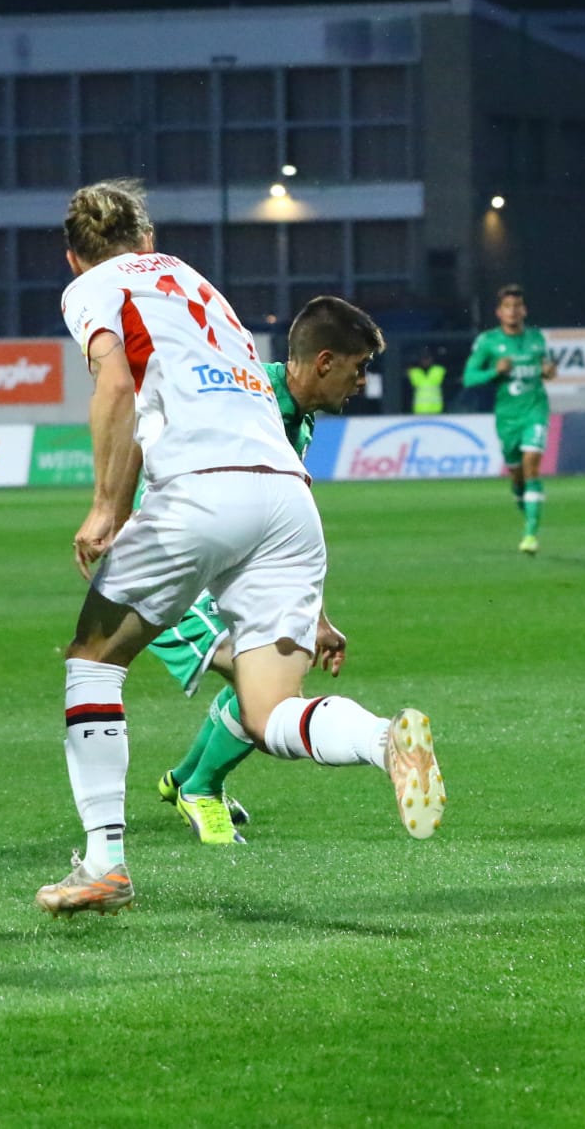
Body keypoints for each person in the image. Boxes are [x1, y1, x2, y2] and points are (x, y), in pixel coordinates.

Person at [39, 181, 444, 917]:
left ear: (74, 257)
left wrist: (105, 508)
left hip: (199, 493)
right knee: (268, 710)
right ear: (149, 240)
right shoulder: (200, 286)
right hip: (287, 500)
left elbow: (118, 388)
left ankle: (104, 864)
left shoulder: (93, 286)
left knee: (93, 660)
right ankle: (384, 739)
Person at [150, 297, 384, 845]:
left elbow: (282, 529)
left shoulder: (294, 416)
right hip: (170, 562)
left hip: (223, 565)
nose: (362, 381)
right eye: (359, 368)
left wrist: (314, 616)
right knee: (262, 682)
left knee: (268, 670)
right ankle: (200, 789)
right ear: (324, 362)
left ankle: (186, 778)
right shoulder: (248, 402)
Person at [463, 285, 557, 555]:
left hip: (535, 410)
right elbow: (469, 378)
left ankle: (531, 534)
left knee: (532, 465)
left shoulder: (537, 339)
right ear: (499, 312)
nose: (513, 311)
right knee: (518, 477)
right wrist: (495, 371)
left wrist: (549, 371)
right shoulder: (488, 342)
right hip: (507, 418)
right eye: (508, 307)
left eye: (517, 306)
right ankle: (525, 504)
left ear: (524, 310)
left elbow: (548, 369)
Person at [407, 346, 445, 415]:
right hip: (419, 411)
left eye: (427, 358)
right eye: (423, 358)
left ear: (431, 359)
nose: (425, 361)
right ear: (420, 360)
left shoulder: (439, 370)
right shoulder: (414, 372)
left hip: (436, 411)